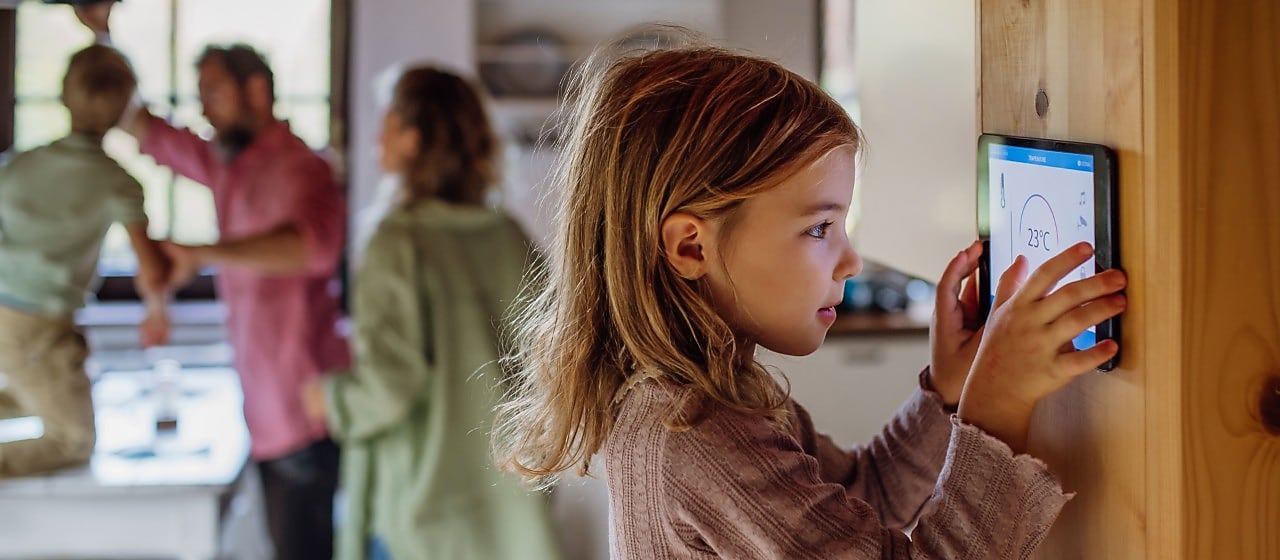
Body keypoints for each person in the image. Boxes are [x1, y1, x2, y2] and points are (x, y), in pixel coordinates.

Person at [493, 42, 1129, 558]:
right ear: (690, 248)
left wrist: (947, 390)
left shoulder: (717, 396)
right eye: (819, 228)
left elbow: (862, 492)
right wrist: (996, 410)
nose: (850, 260)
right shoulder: (693, 435)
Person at [75, 6, 350, 559]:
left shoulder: (305, 168)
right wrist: (103, 33)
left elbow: (313, 249)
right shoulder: (227, 162)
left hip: (306, 413)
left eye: (214, 92)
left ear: (257, 90)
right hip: (262, 410)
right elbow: (139, 123)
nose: (204, 108)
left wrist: (204, 251)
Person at [301, 66, 562, 560]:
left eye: (389, 123)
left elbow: (389, 387)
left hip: (423, 514)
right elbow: (553, 365)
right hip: (509, 511)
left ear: (415, 140)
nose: (379, 135)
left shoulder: (397, 243)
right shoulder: (508, 235)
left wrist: (330, 399)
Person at [0, 44, 170, 478]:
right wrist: (156, 312)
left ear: (63, 96)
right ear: (123, 113)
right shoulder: (118, 183)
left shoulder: (17, 166)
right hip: (43, 323)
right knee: (74, 438)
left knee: (33, 391)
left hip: (7, 313)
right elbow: (151, 270)